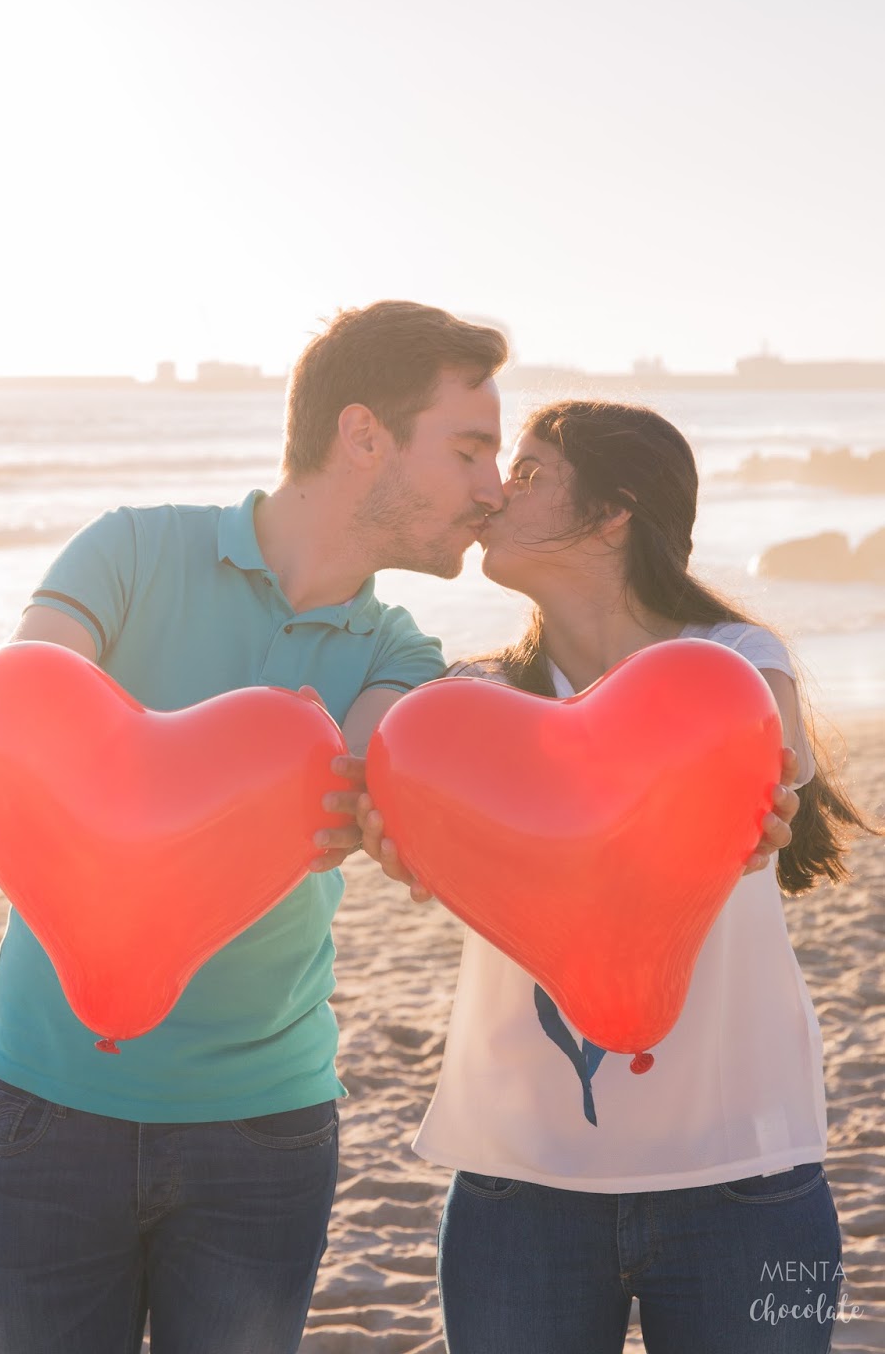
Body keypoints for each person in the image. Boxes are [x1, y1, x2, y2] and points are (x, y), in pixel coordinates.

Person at [0, 300, 510, 1354]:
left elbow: (360, 780)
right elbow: (23, 704)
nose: (492, 488)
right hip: (51, 1105)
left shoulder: (400, 653)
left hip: (262, 1130)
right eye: (469, 450)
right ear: (363, 435)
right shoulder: (131, 550)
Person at [360, 399, 870, 1354]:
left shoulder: (734, 665)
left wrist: (764, 798)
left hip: (745, 1176)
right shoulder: (472, 704)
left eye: (531, 472)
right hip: (520, 1184)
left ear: (611, 513)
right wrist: (402, 836)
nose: (496, 492)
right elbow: (403, 790)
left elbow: (778, 754)